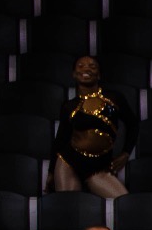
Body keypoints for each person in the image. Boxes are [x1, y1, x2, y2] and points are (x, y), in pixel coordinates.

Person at [51, 56, 137, 199]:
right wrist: (50, 173)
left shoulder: (114, 99)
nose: (86, 68)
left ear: (99, 74)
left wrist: (126, 152)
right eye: (81, 66)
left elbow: (133, 124)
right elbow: (61, 138)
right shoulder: (69, 106)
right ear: (74, 74)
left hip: (99, 167)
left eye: (92, 66)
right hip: (69, 162)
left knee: (124, 202)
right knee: (69, 205)